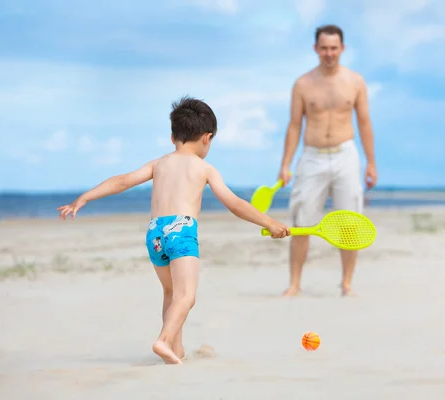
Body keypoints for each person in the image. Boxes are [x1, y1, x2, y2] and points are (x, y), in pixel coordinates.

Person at [57, 96, 290, 365]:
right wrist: (269, 223)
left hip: (155, 232)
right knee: (186, 296)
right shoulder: (204, 168)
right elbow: (234, 204)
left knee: (171, 293)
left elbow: (122, 181)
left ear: (172, 137)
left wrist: (84, 198)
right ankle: (164, 340)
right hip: (182, 229)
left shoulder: (158, 164)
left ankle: (175, 350)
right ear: (207, 137)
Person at [277, 24, 377, 297]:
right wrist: (285, 164)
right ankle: (295, 284)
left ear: (342, 49)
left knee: (351, 224)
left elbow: (365, 123)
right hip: (312, 157)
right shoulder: (303, 84)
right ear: (315, 49)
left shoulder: (355, 82)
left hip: (346, 155)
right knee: (301, 222)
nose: (329, 53)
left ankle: (346, 284)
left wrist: (371, 163)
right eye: (324, 48)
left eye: (334, 48)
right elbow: (294, 125)